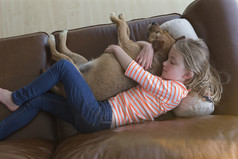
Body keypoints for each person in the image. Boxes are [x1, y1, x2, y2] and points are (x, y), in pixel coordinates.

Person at [0, 38, 222, 140]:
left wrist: (117, 49)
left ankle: (15, 97)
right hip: (96, 114)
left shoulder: (175, 91)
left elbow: (137, 73)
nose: (164, 64)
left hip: (99, 117)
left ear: (187, 75)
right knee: (39, 101)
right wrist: (147, 46)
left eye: (172, 62)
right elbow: (155, 53)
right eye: (168, 58)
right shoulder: (170, 84)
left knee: (65, 68)